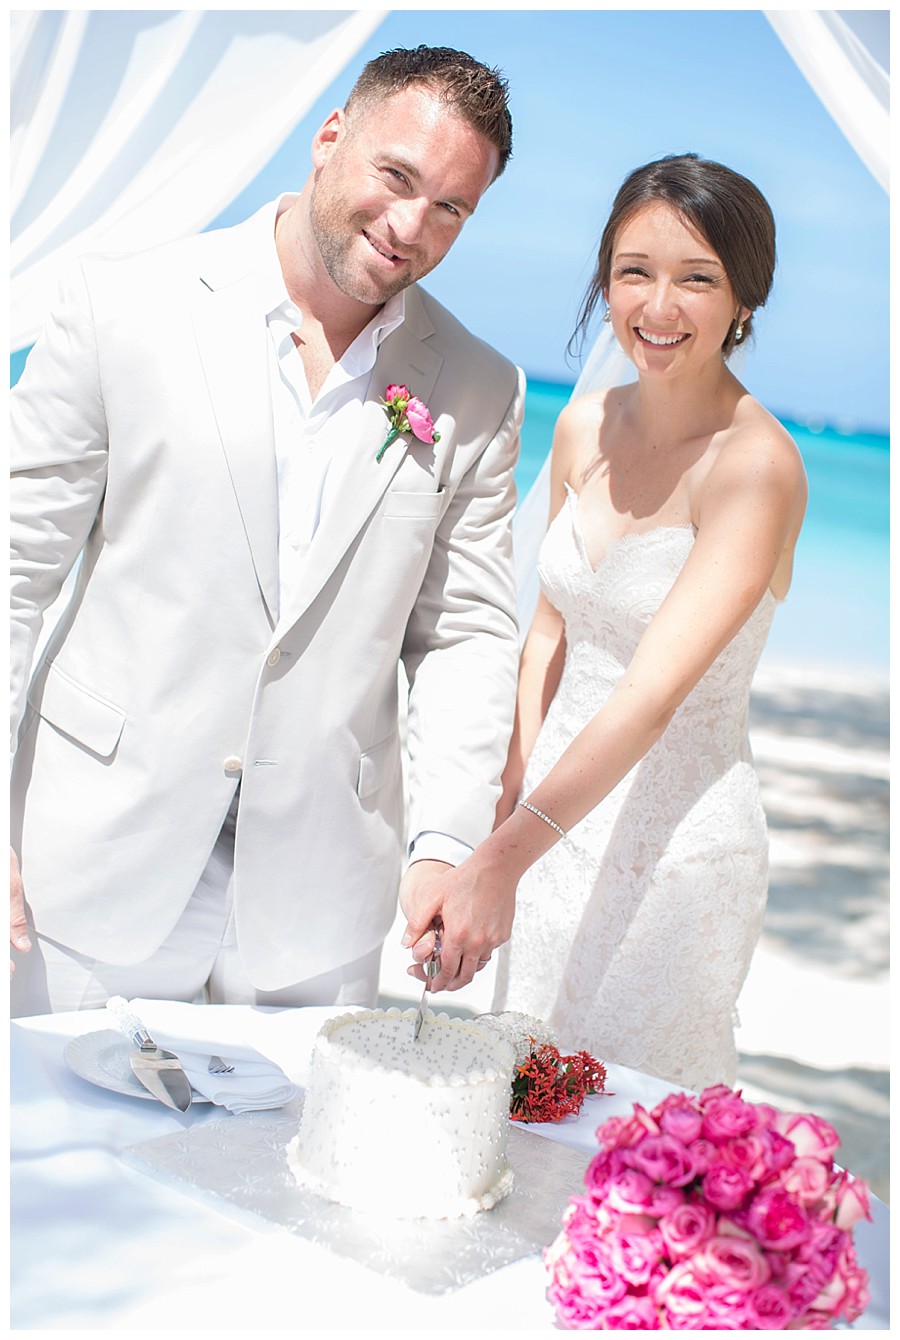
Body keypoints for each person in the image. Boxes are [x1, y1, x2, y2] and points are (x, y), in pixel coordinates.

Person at [10, 45, 524, 1015]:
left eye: (451, 207)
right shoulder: (120, 302)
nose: (411, 226)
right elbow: (13, 570)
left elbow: (463, 633)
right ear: (331, 137)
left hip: (319, 910)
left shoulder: (481, 385)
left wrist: (447, 845)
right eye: (396, 176)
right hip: (90, 868)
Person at [403, 154, 807, 1092]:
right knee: (520, 1099)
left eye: (696, 277)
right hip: (547, 826)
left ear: (747, 295)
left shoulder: (757, 467)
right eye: (635, 271)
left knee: (626, 1135)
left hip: (672, 856)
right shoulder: (584, 426)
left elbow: (649, 696)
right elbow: (548, 633)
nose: (658, 307)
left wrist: (499, 860)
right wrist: (497, 810)